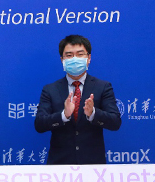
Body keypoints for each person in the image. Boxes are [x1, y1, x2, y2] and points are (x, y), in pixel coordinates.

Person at [35, 34, 121, 164]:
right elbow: (39, 124)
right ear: (62, 60)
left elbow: (115, 122)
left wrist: (93, 113)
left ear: (88, 58)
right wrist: (63, 115)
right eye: (69, 55)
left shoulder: (103, 87)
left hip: (93, 165)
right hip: (60, 165)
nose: (75, 59)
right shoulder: (50, 89)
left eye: (80, 54)